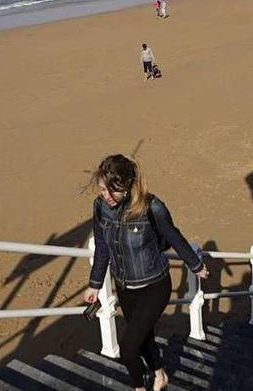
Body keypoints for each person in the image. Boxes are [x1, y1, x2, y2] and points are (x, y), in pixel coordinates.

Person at [84, 155, 209, 391]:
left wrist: (196, 265)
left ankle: (138, 386)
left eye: (114, 191)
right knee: (142, 338)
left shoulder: (151, 207)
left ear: (129, 185)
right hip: (124, 286)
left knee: (128, 348)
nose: (107, 196)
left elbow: (173, 236)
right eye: (102, 189)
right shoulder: (100, 207)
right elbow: (102, 247)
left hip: (154, 286)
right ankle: (159, 373)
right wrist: (95, 284)